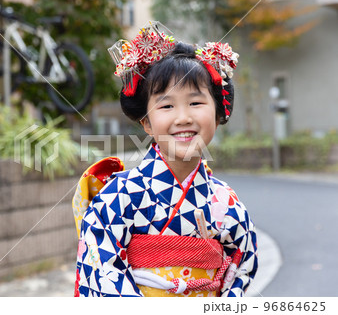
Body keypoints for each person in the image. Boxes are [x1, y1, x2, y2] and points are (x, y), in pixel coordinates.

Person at [72, 22, 258, 297]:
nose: (183, 117)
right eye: (167, 105)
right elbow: (100, 268)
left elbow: (242, 267)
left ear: (218, 114)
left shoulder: (226, 202)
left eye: (196, 103)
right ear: (146, 122)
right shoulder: (119, 196)